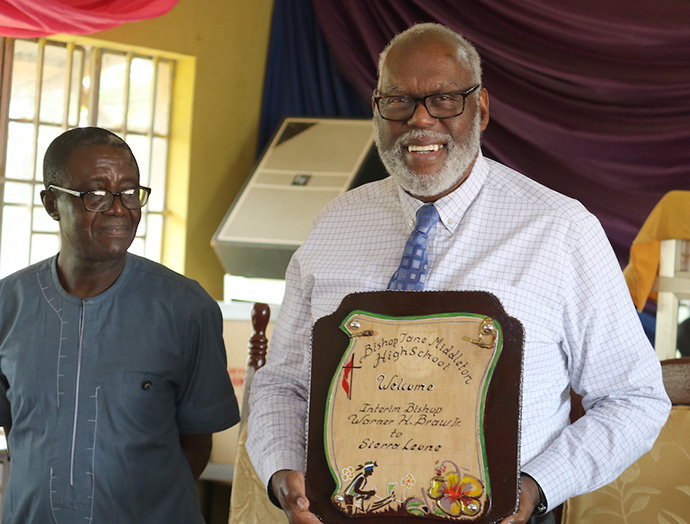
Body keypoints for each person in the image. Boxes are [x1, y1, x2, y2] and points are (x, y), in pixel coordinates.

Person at [246, 23, 670, 524]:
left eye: (445, 99)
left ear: (482, 109)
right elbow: (285, 384)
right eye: (398, 101)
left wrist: (533, 488)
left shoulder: (560, 229)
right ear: (378, 110)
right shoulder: (333, 225)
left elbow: (633, 398)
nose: (420, 120)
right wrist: (283, 471)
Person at [0, 127, 240, 523]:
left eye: (129, 192)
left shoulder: (185, 308)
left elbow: (196, 446)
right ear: (52, 203)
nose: (118, 208)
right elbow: (18, 430)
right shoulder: (9, 304)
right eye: (96, 193)